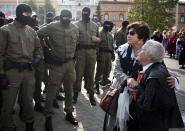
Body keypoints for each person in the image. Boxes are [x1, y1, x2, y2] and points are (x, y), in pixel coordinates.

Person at [104, 21, 178, 131]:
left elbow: (162, 69)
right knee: (116, 125)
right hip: (121, 92)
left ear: (141, 36)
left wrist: (174, 80)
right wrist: (127, 79)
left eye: (132, 33)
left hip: (141, 98)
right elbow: (116, 70)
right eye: (128, 32)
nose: (128, 35)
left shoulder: (150, 49)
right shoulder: (123, 49)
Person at [0, 4, 43, 131]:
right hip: (11, 71)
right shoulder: (5, 30)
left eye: (30, 14)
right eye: (26, 14)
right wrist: (1, 74)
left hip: (28, 71)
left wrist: (37, 59)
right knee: (8, 102)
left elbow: (39, 49)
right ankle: (7, 125)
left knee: (28, 100)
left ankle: (29, 122)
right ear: (19, 13)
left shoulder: (31, 31)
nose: (29, 16)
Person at [37, 9, 79, 131]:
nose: (67, 19)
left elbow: (77, 42)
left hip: (70, 64)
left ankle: (69, 113)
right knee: (52, 90)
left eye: (69, 17)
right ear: (60, 17)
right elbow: (38, 35)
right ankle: (48, 116)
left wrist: (75, 55)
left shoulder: (74, 28)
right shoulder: (52, 26)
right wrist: (46, 52)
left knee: (69, 89)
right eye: (65, 17)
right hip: (56, 64)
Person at [136, 40, 184, 131]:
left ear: (149, 57)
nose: (139, 51)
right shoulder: (157, 68)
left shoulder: (153, 77)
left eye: (143, 49)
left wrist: (136, 90)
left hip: (151, 125)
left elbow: (146, 105)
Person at [73, 7, 100, 106]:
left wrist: (97, 40)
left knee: (90, 73)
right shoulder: (76, 25)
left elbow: (99, 39)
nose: (85, 13)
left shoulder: (95, 25)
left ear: (89, 13)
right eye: (84, 12)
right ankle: (75, 94)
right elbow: (73, 39)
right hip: (80, 52)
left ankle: (91, 94)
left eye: (87, 12)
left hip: (92, 52)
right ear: (82, 13)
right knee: (78, 73)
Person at [94, 21, 114, 94]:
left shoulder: (109, 34)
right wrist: (98, 55)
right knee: (100, 70)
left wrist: (113, 53)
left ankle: (104, 84)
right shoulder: (100, 33)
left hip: (108, 54)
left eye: (109, 25)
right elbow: (97, 45)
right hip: (102, 54)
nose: (109, 26)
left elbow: (111, 45)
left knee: (107, 70)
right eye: (107, 25)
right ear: (104, 25)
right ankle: (96, 85)